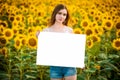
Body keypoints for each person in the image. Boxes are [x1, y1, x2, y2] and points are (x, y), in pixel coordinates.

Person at [36, 4, 77, 80]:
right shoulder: (46, 31)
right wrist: (39, 38)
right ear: (55, 13)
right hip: (55, 67)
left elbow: (73, 49)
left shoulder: (69, 30)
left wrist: (80, 61)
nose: (62, 17)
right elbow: (45, 50)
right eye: (59, 13)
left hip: (69, 66)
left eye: (64, 14)